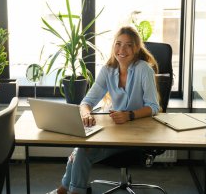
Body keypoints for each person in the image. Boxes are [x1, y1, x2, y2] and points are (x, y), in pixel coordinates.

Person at [49, 26, 160, 194]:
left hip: (138, 134)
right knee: (80, 149)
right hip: (114, 131)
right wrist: (86, 113)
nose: (122, 49)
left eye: (128, 45)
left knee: (81, 151)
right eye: (118, 44)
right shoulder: (108, 70)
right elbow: (86, 102)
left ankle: (66, 190)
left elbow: (153, 107)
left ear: (136, 48)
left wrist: (129, 115)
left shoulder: (144, 69)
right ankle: (68, 190)